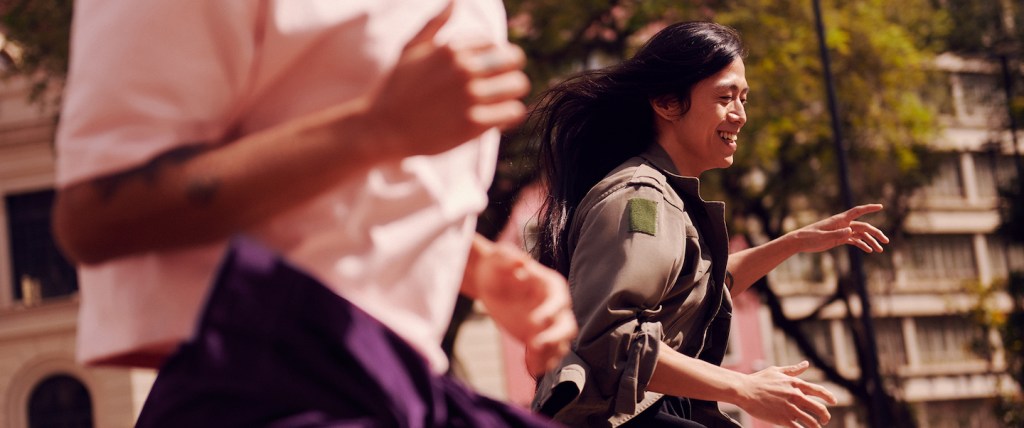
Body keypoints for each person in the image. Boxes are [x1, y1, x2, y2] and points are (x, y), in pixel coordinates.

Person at [52, 0, 576, 425]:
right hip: (264, 389)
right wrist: (374, 129)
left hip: (394, 387)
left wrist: (471, 263)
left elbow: (333, 199)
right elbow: (92, 218)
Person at [527, 21, 890, 428]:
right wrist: (743, 388)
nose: (740, 115)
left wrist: (793, 243)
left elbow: (699, 289)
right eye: (725, 98)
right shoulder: (641, 200)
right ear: (666, 102)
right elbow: (611, 338)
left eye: (744, 99)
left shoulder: (659, 193)